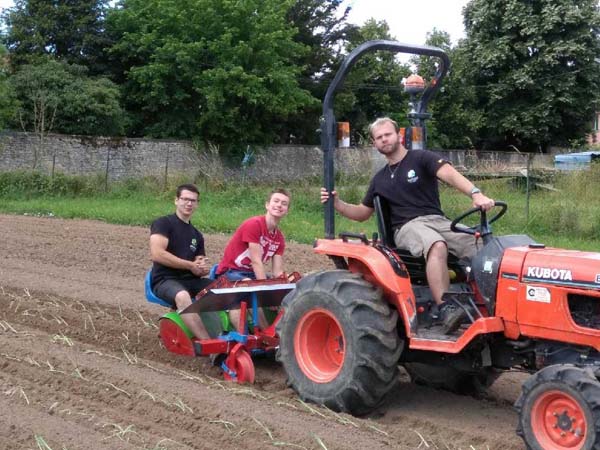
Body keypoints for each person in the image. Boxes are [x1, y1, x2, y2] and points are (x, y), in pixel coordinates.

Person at [320, 117, 495, 330]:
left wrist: (475, 193)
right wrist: (338, 204)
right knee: (436, 245)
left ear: (399, 135)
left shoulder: (421, 159)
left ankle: (490, 303)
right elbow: (362, 213)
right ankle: (446, 308)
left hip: (438, 221)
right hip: (407, 227)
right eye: (379, 137)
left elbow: (449, 174)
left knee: (483, 246)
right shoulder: (379, 179)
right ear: (375, 144)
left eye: (388, 134)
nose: (384, 140)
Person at [216, 188, 291, 329]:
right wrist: (265, 292)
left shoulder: (279, 238)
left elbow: (277, 272)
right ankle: (263, 333)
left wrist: (283, 288)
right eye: (276, 201)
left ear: (287, 210)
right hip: (231, 272)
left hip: (251, 275)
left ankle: (275, 333)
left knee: (281, 293)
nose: (279, 205)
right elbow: (256, 261)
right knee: (251, 288)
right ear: (267, 205)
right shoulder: (254, 224)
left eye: (284, 203)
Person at [149, 183, 213, 340]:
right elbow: (157, 254)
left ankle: (226, 334)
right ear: (176, 200)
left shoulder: (197, 235)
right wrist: (190, 265)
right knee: (183, 296)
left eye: (193, 200)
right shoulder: (163, 223)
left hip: (189, 280)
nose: (189, 203)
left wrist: (201, 268)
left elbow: (199, 262)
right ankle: (209, 344)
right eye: (185, 199)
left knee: (221, 290)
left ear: (197, 204)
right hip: (164, 280)